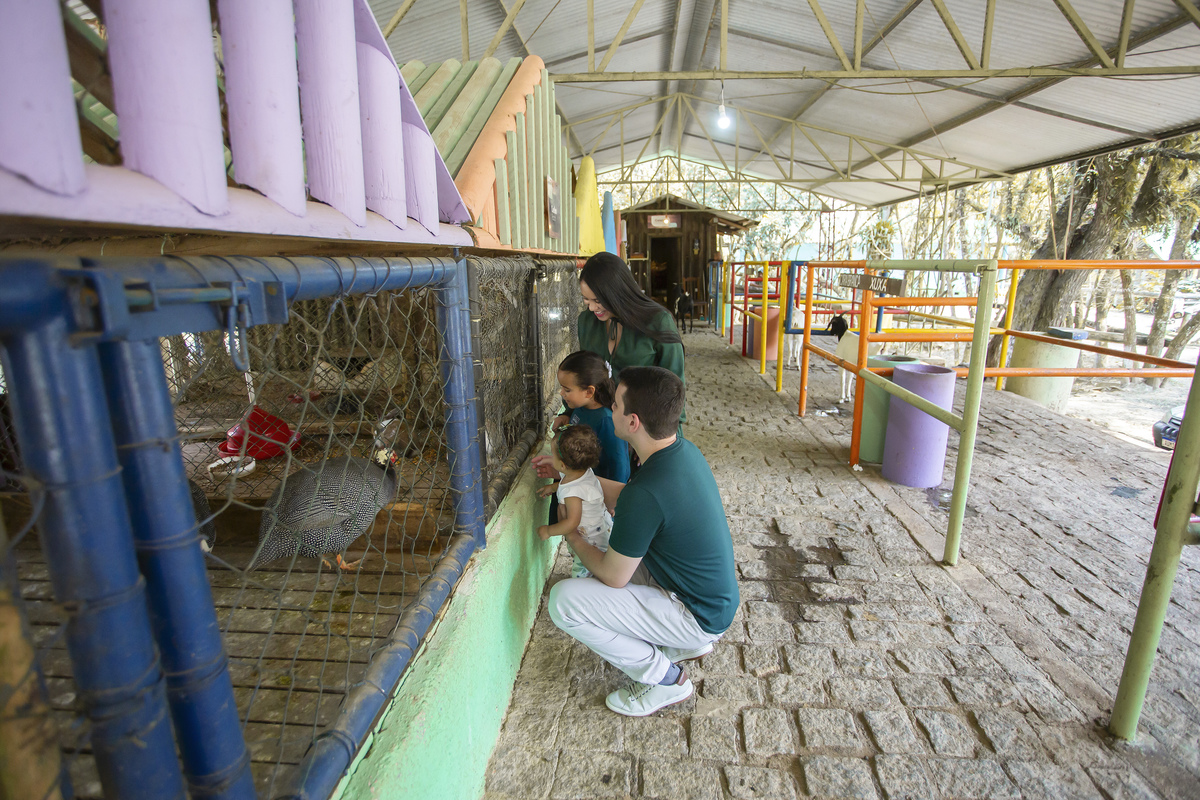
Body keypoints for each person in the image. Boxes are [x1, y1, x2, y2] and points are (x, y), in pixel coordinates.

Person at [548, 366, 739, 717]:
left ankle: (665, 680)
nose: (611, 411)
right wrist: (568, 476)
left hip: (696, 613)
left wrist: (572, 535)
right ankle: (688, 643)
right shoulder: (681, 452)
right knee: (602, 555)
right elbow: (634, 498)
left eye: (616, 406)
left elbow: (614, 575)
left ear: (632, 422)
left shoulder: (647, 491)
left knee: (565, 601)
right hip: (712, 601)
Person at [536, 425, 612, 579]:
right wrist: (553, 487)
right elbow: (571, 484)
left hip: (592, 543)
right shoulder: (583, 471)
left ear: (562, 465)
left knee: (580, 576)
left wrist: (548, 531)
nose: (551, 457)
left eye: (553, 455)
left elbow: (572, 522)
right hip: (603, 527)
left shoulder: (572, 493)